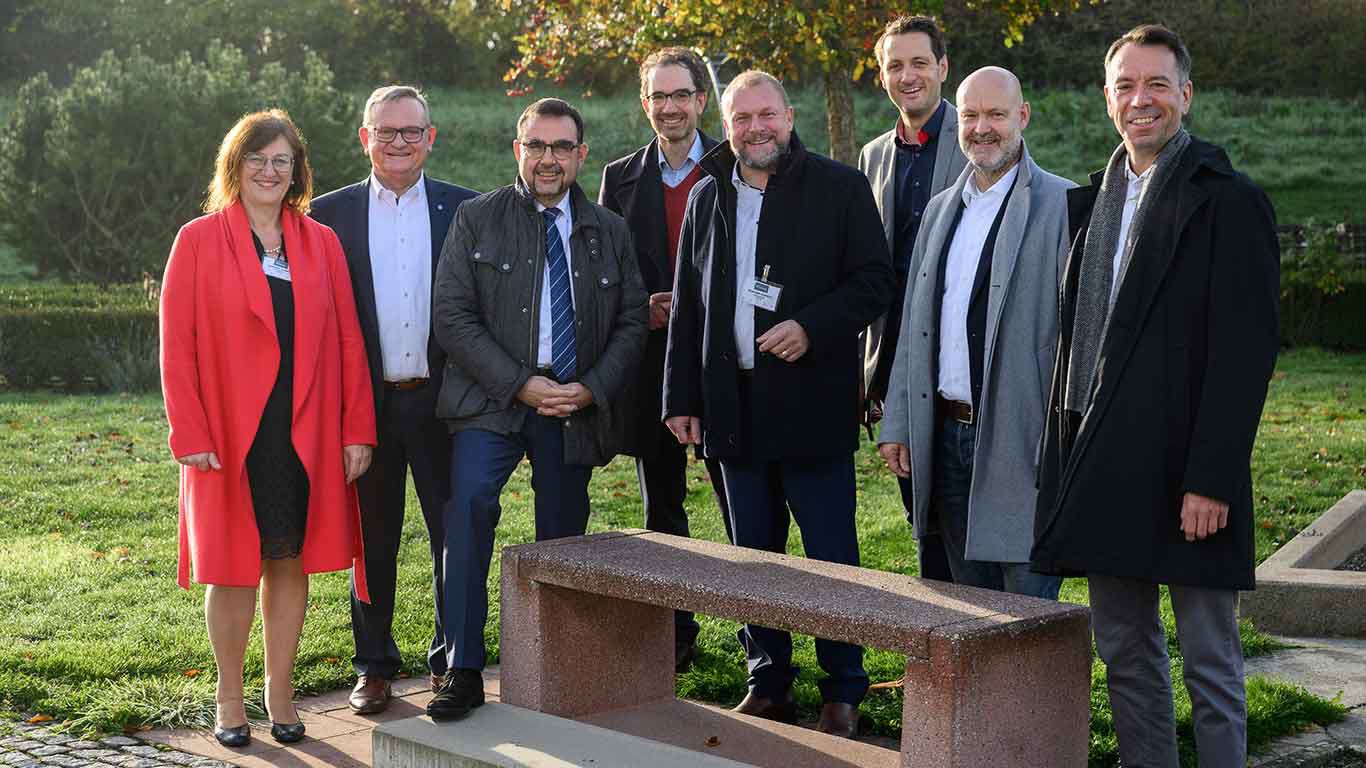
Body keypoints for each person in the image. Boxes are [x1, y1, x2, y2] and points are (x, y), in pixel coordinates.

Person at [1031, 24, 1279, 768]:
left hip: (1188, 475)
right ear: (1108, 98)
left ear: (1186, 95)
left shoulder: (1228, 202)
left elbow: (1245, 355)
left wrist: (1211, 478)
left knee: (1209, 666)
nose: (1142, 100)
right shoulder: (1095, 203)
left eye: (1157, 85)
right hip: (1105, 463)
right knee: (1128, 657)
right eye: (1125, 86)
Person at [662, 71, 894, 739]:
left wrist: (812, 325)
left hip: (811, 406)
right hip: (732, 410)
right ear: (726, 125)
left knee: (828, 559)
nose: (755, 127)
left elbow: (876, 282)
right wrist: (681, 396)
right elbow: (689, 308)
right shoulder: (709, 197)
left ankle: (843, 690)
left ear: (789, 118)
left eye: (767, 114)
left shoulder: (839, 188)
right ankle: (767, 681)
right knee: (751, 557)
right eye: (742, 118)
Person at [425, 97, 648, 721]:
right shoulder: (475, 219)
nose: (548, 159)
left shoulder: (610, 230)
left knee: (562, 533)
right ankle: (462, 669)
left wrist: (592, 388)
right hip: (492, 401)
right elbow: (453, 317)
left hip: (572, 404)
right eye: (536, 146)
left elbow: (633, 322)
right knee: (467, 508)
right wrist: (519, 383)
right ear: (517, 151)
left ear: (581, 154)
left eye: (561, 148)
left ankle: (556, 671)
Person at [159, 110, 376, 748]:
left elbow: (347, 340)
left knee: (289, 560)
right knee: (230, 569)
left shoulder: (321, 243)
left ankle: (280, 693)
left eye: (281, 160)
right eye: (257, 158)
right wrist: (189, 431)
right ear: (235, 165)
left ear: (296, 172)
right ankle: (230, 700)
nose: (269, 170)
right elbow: (178, 348)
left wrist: (355, 428)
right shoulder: (197, 241)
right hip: (227, 435)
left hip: (302, 431)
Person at [311, 86, 478, 715]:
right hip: (364, 406)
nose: (399, 142)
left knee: (450, 537)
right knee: (370, 540)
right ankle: (374, 665)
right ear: (365, 138)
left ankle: (448, 660)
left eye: (411, 131)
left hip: (445, 405)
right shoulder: (327, 216)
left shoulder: (467, 209)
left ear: (431, 137)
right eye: (387, 131)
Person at [878, 67, 1073, 598]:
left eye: (996, 115)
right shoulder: (942, 210)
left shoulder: (1064, 206)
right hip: (944, 441)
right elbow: (914, 326)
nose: (982, 128)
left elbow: (1081, 344)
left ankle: (1035, 688)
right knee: (970, 610)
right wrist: (898, 418)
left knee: (1028, 615)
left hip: (1021, 442)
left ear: (1023, 116)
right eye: (970, 115)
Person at [597, 47, 726, 673]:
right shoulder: (619, 176)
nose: (670, 107)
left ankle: (768, 637)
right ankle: (674, 632)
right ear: (644, 104)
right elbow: (607, 271)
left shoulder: (735, 164)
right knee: (663, 503)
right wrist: (639, 305)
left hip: (726, 355)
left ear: (702, 100)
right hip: (654, 361)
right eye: (658, 97)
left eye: (681, 95)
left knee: (741, 503)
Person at [857, 15, 967, 583]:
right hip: (895, 361)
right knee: (920, 516)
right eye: (895, 65)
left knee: (963, 520)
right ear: (881, 77)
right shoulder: (873, 156)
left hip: (957, 364)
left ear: (943, 68)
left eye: (919, 62)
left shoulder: (977, 140)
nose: (908, 75)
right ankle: (940, 649)